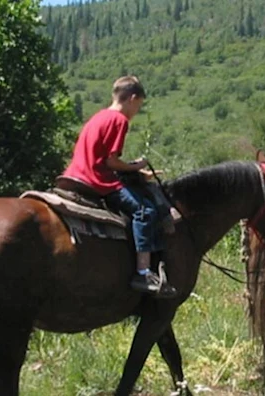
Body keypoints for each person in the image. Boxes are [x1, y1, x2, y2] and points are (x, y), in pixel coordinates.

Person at [62, 76, 175, 297]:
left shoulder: (98, 116)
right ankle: (143, 272)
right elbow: (110, 162)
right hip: (98, 179)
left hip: (75, 174)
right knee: (145, 211)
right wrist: (138, 165)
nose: (136, 111)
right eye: (139, 105)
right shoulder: (119, 121)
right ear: (132, 99)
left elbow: (100, 156)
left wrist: (134, 170)